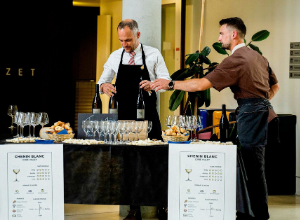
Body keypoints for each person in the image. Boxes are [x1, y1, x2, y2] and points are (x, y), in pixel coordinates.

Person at [145, 17, 277, 220]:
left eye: (221, 33)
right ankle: (257, 214)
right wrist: (261, 102)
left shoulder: (236, 59)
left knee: (252, 168)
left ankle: (256, 216)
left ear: (233, 35)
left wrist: (170, 84)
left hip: (251, 115)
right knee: (256, 167)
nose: (219, 38)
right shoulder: (258, 56)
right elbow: (274, 86)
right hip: (265, 114)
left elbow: (200, 85)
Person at [97, 19, 171, 220]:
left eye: (128, 40)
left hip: (149, 116)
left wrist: (154, 84)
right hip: (125, 118)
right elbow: (102, 81)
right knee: (129, 163)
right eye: (121, 40)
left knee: (156, 161)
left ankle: (162, 206)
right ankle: (133, 208)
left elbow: (166, 82)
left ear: (138, 35)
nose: (124, 44)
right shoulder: (115, 56)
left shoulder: (153, 54)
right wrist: (104, 87)